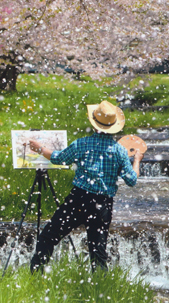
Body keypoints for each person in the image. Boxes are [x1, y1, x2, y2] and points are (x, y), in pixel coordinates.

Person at [27, 100, 143, 273]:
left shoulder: (81, 144)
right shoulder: (119, 151)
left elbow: (59, 158)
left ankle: (35, 274)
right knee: (98, 251)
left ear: (95, 124)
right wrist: (137, 160)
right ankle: (100, 288)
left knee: (49, 236)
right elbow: (132, 180)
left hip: (78, 200)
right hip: (102, 205)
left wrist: (40, 149)